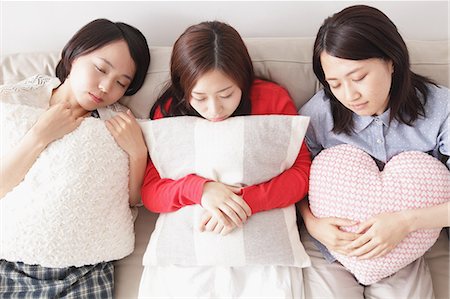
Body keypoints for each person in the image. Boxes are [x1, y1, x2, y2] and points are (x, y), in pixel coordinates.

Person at [139, 21, 311, 297]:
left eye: (226, 94)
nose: (215, 109)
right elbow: (151, 192)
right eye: (200, 97)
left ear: (242, 78)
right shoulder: (169, 111)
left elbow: (302, 174)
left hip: (262, 252)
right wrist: (201, 190)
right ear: (184, 89)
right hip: (188, 251)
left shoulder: (272, 99)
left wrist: (243, 203)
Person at [298, 5, 449, 299]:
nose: (349, 95)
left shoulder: (440, 108)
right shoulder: (318, 114)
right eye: (335, 84)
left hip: (405, 245)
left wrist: (406, 223)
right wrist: (313, 224)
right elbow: (292, 178)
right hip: (331, 245)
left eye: (359, 77)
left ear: (391, 61)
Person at [0, 18, 150, 297]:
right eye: (100, 68)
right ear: (73, 55)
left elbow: (131, 202)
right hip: (10, 263)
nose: (106, 86)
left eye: (121, 82)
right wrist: (39, 135)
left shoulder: (119, 123)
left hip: (86, 269)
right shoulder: (15, 102)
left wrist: (137, 153)